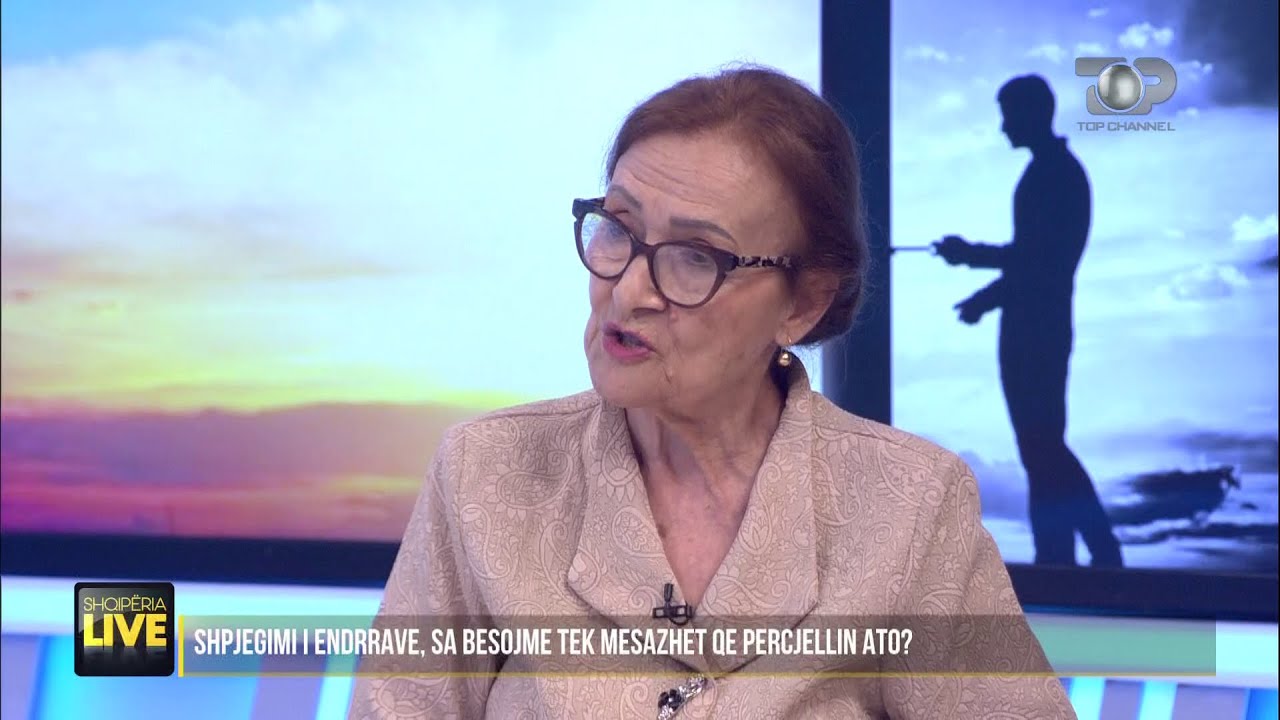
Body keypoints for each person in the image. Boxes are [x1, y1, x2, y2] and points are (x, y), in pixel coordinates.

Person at [350, 66, 1074, 718]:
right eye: (617, 229)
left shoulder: (909, 504)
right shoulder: (484, 473)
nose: (628, 292)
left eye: (696, 257)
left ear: (804, 303)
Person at [934, 74, 1123, 568]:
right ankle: (1063, 554)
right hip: (1035, 327)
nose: (1003, 127)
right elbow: (1035, 262)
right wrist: (982, 291)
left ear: (1033, 113)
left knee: (1042, 446)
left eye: (1008, 115)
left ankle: (1087, 551)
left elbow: (1039, 262)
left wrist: (971, 260)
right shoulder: (1052, 173)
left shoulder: (1054, 175)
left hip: (1036, 332)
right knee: (1040, 447)